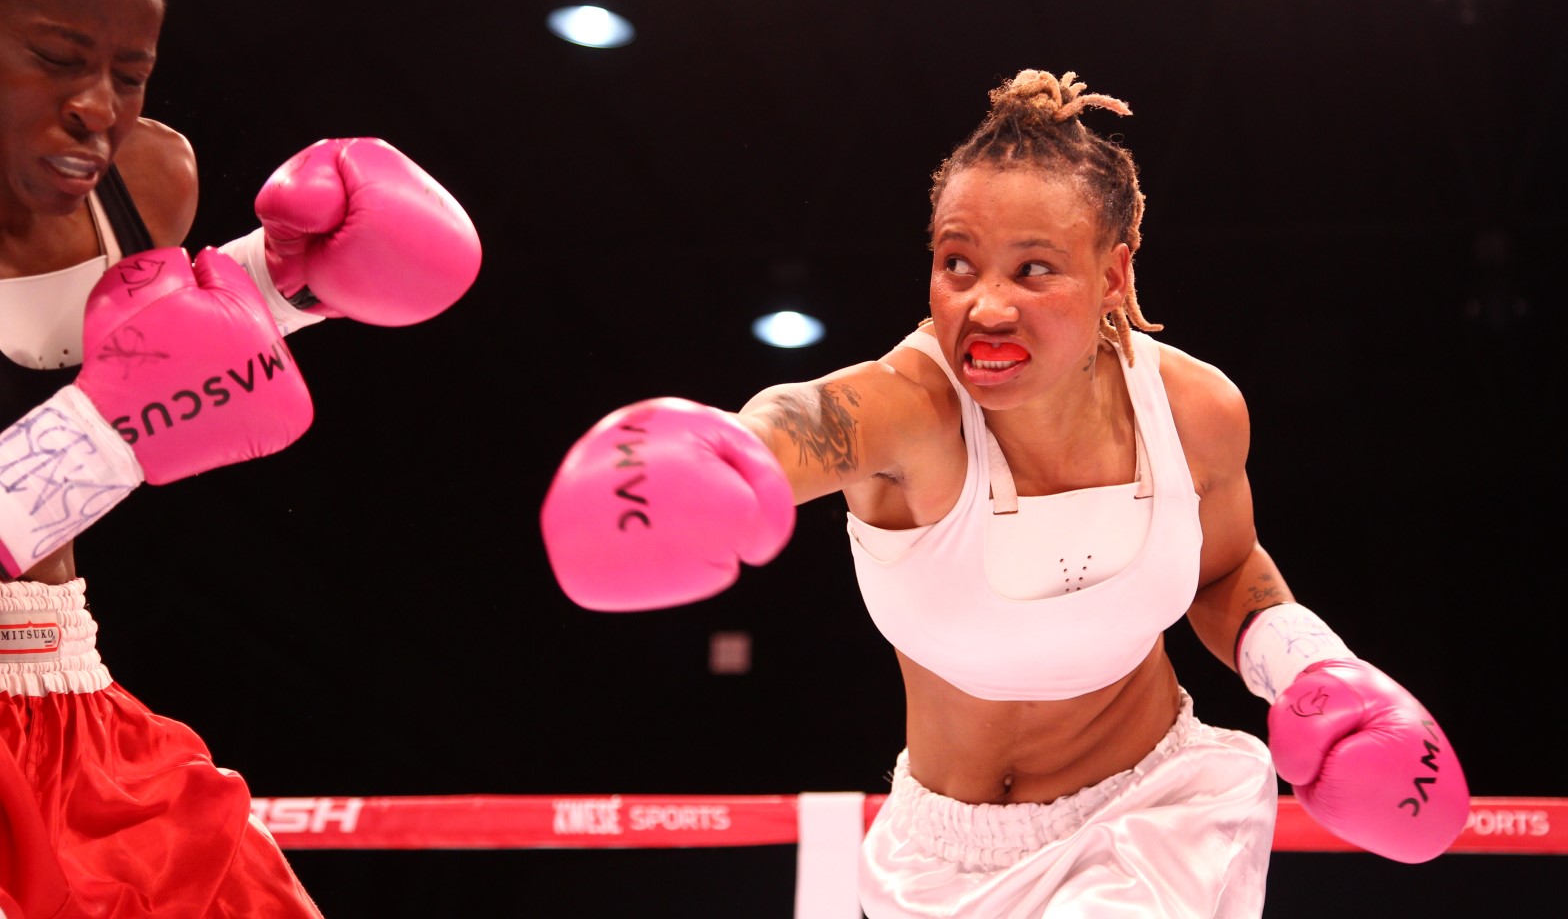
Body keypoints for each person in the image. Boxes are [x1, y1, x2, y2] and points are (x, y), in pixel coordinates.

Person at [541, 68, 1470, 916]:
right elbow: (806, 418)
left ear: (1113, 275)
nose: (985, 305)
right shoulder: (913, 411)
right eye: (958, 263)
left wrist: (1312, 670)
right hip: (932, 856)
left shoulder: (1194, 412)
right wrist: (722, 452)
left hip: (1152, 822)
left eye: (1033, 269)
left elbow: (1224, 571)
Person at [0, 0, 480, 915]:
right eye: (58, 57)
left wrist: (290, 285)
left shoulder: (143, 183)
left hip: (74, 704)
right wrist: (100, 435)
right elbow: (129, 404)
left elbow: (163, 354)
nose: (97, 107)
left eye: (130, 73)